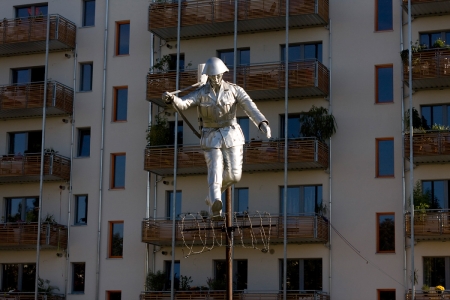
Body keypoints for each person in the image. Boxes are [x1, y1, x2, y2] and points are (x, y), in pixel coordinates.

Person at [163, 57, 271, 218]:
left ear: (223, 73)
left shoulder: (235, 90)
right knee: (216, 168)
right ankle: (215, 204)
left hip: (231, 134)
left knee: (235, 175)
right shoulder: (201, 92)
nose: (216, 78)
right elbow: (184, 103)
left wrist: (262, 122)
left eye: (219, 74)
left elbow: (250, 107)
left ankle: (210, 197)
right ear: (208, 76)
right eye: (213, 75)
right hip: (211, 135)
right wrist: (172, 99)